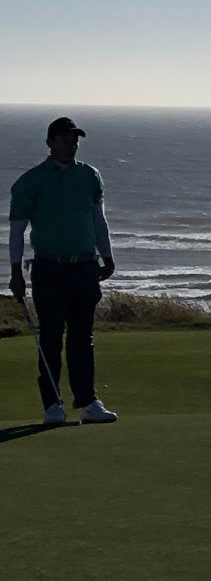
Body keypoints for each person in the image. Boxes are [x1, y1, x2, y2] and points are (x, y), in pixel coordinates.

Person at [9, 116, 118, 425]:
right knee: (51, 338)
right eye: (66, 140)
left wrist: (107, 257)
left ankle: (88, 402)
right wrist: (15, 273)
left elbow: (98, 220)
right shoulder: (31, 181)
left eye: (75, 140)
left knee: (83, 338)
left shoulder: (90, 176)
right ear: (50, 143)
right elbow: (17, 232)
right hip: (49, 267)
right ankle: (52, 406)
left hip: (84, 266)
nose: (72, 145)